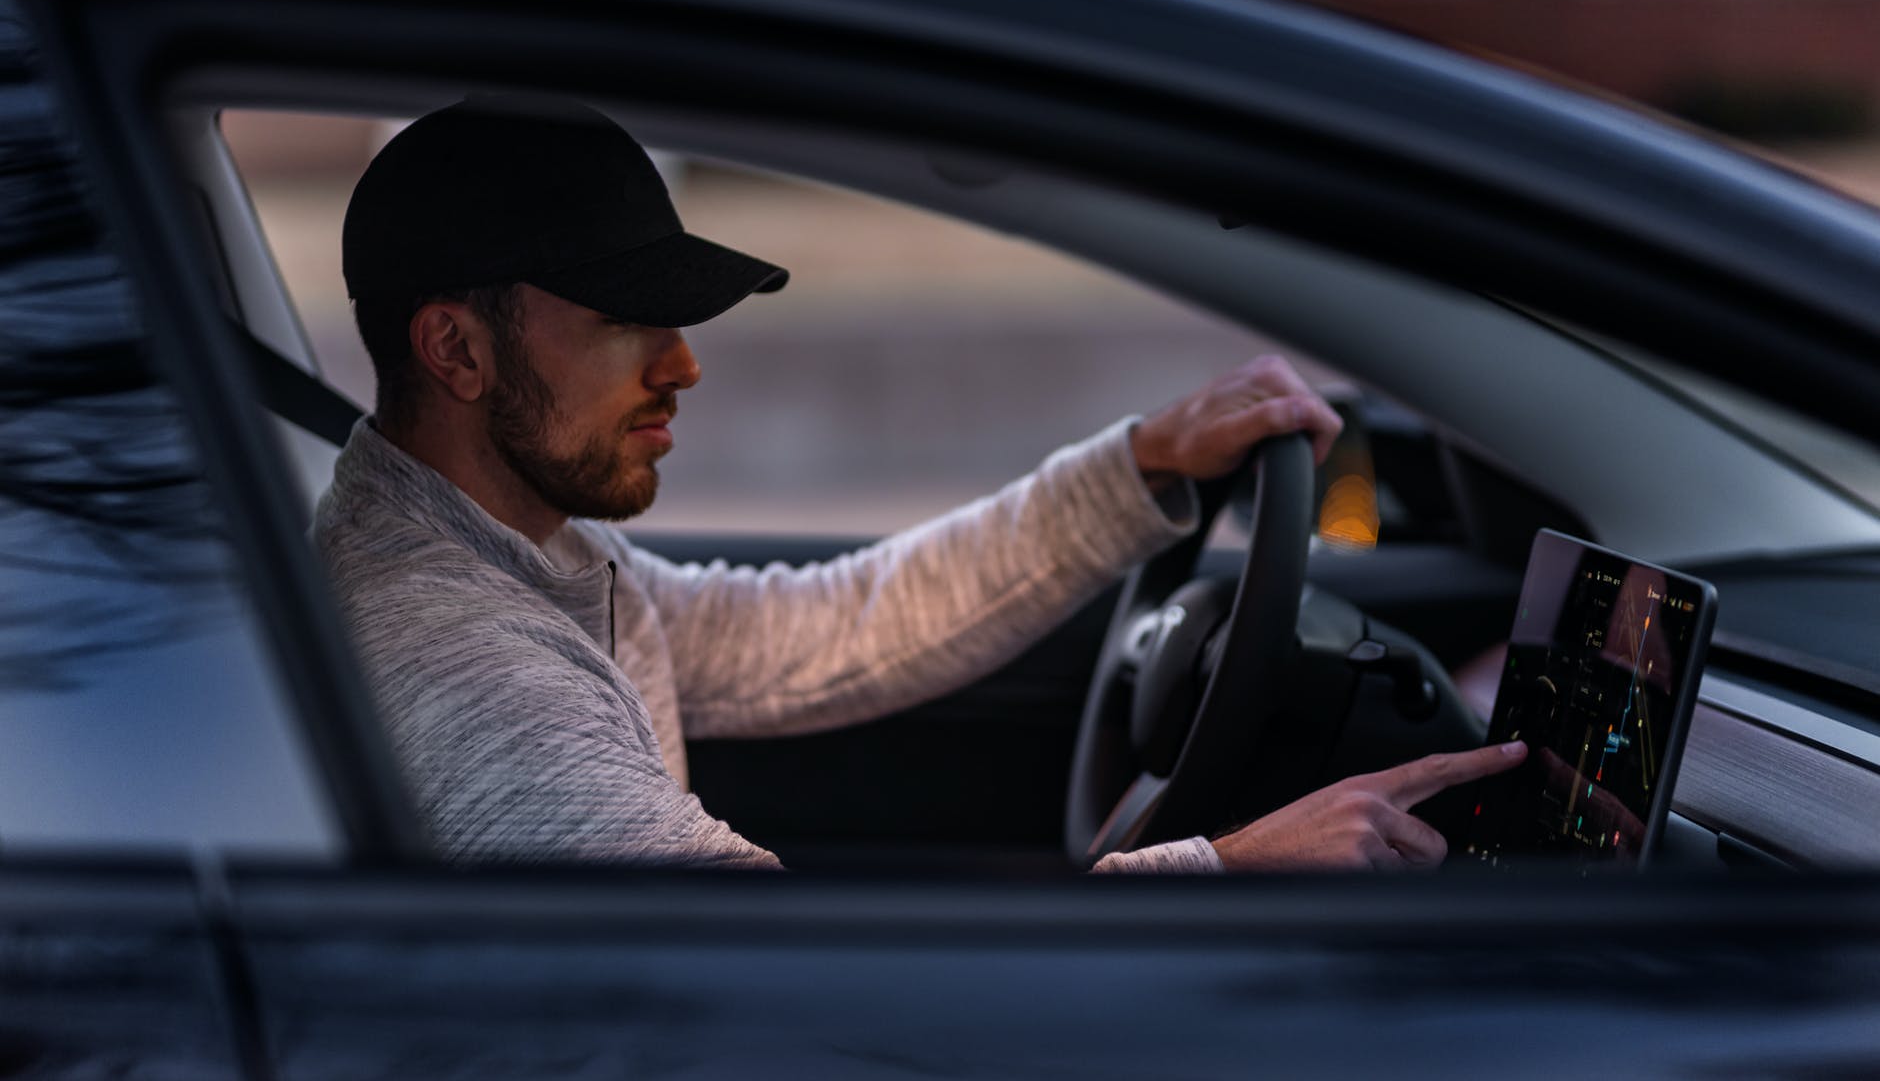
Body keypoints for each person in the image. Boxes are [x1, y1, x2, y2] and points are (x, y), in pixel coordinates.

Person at [316, 96, 1525, 874]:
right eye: (631, 321)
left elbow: (831, 627)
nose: (684, 365)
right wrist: (1231, 872)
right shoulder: (460, 659)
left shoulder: (527, 551)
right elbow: (790, 993)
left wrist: (1138, 463)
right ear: (456, 351)